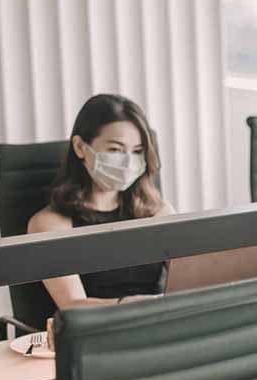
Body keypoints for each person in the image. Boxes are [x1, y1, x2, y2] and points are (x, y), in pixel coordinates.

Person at [28, 93, 174, 310]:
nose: (127, 162)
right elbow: (72, 306)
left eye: (137, 152)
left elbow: (192, 283)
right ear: (80, 147)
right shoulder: (49, 225)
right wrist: (135, 305)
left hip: (161, 326)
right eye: (115, 149)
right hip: (96, 335)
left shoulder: (159, 212)